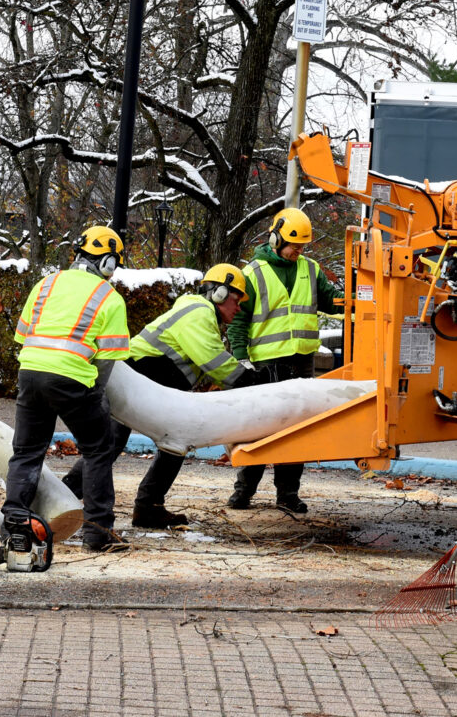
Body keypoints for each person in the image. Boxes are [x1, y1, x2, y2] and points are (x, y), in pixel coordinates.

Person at [62, 264, 257, 529]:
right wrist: (253, 379)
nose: (239, 308)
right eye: (236, 300)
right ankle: (62, 499)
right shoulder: (199, 313)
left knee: (175, 441)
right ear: (219, 293)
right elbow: (215, 363)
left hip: (146, 382)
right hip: (137, 379)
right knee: (109, 445)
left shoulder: (202, 314)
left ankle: (149, 507)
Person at [2, 224, 131, 554]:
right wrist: (95, 393)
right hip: (72, 378)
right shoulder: (109, 297)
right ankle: (98, 533)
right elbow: (106, 361)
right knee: (99, 448)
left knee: (27, 451)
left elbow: (22, 336)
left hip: (29, 372)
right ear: (108, 263)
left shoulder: (46, 283)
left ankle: (16, 525)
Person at [225, 207, 342, 514]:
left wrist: (360, 292)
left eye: (302, 246)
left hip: (302, 361)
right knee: (259, 428)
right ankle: (244, 490)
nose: (297, 251)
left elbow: (334, 302)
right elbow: (239, 320)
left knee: (296, 428)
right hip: (265, 363)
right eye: (293, 245)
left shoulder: (311, 269)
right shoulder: (252, 273)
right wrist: (241, 357)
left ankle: (288, 494)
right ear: (275, 239)